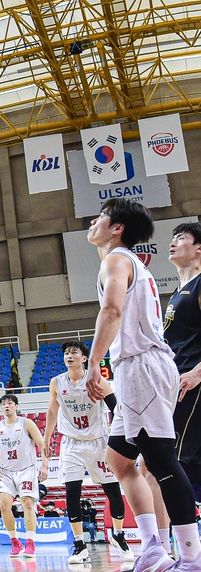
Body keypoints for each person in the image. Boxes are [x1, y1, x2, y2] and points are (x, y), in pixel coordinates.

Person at [84, 199, 201, 570]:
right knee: (118, 459)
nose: (93, 221)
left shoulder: (116, 260)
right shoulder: (136, 265)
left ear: (117, 227)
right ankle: (152, 546)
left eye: (101, 216)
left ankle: (191, 556)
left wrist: (93, 364)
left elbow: (112, 310)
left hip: (142, 367)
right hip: (140, 368)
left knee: (162, 459)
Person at [43, 340, 132, 564]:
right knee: (72, 492)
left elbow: (115, 407)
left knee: (113, 490)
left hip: (99, 442)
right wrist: (47, 438)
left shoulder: (96, 379)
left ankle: (118, 535)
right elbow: (52, 411)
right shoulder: (56, 382)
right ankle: (80, 544)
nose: (69, 355)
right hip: (72, 443)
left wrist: (122, 437)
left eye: (74, 352)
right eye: (66, 353)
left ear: (84, 358)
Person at [146, 221, 201, 556]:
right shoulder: (176, 291)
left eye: (182, 238)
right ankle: (168, 547)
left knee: (164, 462)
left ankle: (174, 549)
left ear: (199, 249)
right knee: (175, 465)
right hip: (173, 383)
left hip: (191, 385)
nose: (173, 242)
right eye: (173, 237)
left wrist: (196, 373)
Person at [0, 393, 48, 559]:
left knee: (27, 503)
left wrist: (44, 466)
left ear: (16, 406)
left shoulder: (26, 423)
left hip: (26, 470)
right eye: (4, 404)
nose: (7, 406)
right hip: (6, 471)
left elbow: (43, 445)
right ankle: (15, 542)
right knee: (3, 504)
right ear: (1, 407)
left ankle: (30, 542)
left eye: (10, 403)